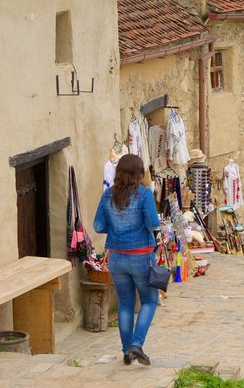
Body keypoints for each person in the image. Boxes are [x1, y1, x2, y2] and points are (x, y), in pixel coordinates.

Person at [94, 154, 160, 366]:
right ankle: (136, 344)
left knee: (125, 303)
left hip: (116, 257)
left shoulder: (108, 195)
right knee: (149, 300)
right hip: (140, 255)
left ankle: (126, 351)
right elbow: (153, 222)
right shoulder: (144, 194)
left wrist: (116, 227)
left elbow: (98, 226)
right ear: (139, 173)